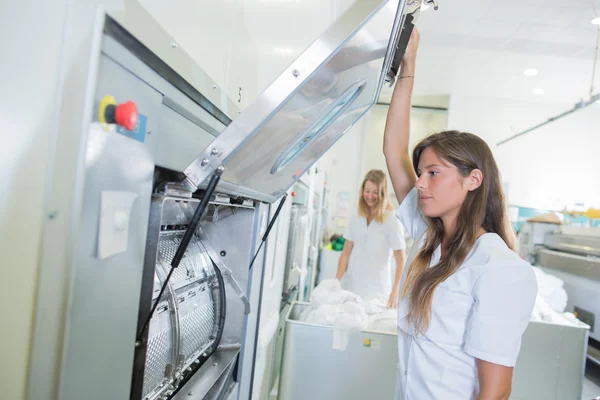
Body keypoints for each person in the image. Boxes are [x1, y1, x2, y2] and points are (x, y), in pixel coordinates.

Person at [383, 28, 537, 400]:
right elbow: (393, 151)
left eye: (433, 173)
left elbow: (495, 393)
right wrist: (408, 68)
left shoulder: (499, 268)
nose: (420, 183)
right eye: (420, 173)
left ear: (473, 180)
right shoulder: (429, 237)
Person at [335, 169, 406, 308]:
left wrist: (395, 291)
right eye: (367, 191)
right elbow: (345, 253)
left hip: (377, 293)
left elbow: (401, 259)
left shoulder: (392, 219)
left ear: (383, 194)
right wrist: (336, 281)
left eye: (375, 192)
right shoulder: (356, 217)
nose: (370, 196)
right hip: (351, 288)